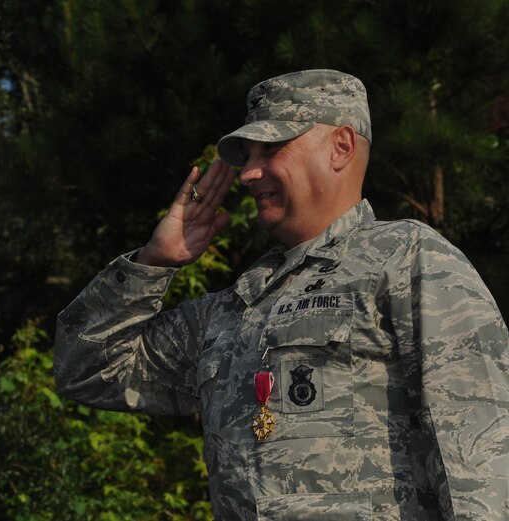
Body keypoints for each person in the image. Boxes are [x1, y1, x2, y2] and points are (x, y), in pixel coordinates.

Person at [55, 69, 508, 519]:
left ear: (341, 147)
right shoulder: (232, 308)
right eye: (248, 154)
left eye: (272, 149)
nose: (249, 173)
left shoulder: (405, 257)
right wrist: (153, 263)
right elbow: (88, 370)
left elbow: (479, 447)